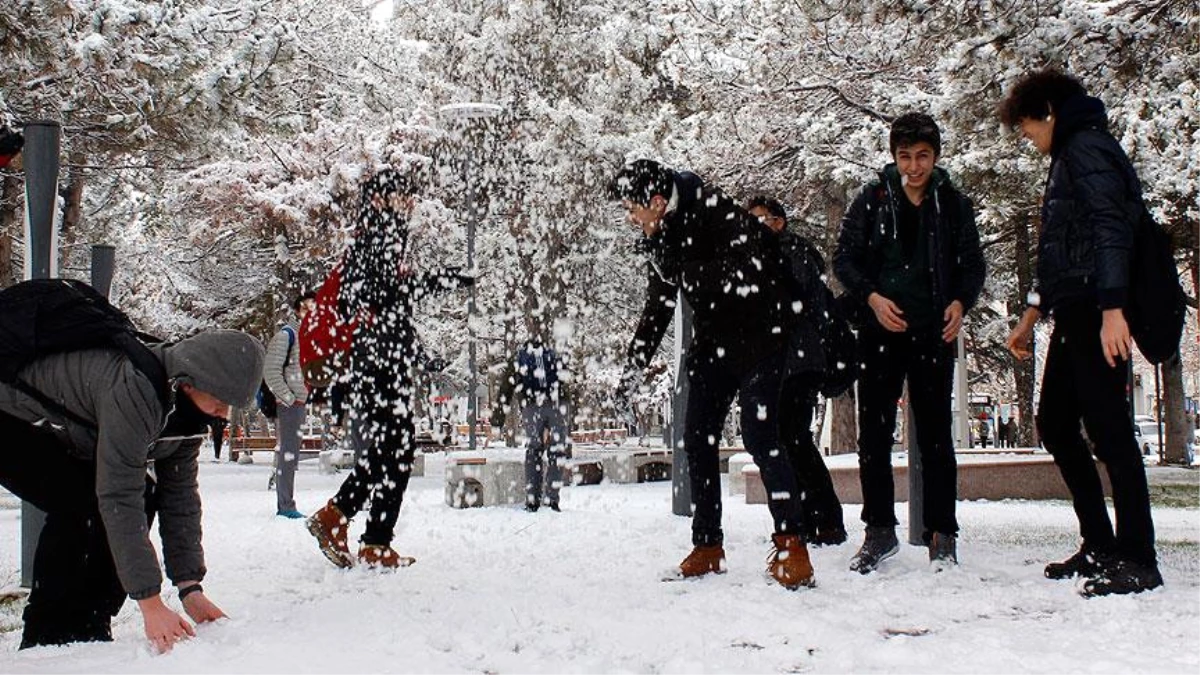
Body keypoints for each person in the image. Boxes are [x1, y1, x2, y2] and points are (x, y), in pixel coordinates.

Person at [608, 159, 814, 589]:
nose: (631, 218)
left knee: (762, 437)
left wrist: (667, 250)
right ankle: (707, 544)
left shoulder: (712, 212)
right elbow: (659, 306)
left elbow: (729, 277)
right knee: (696, 437)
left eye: (633, 209)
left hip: (762, 335)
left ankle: (792, 543)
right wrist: (632, 370)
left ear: (658, 202)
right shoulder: (664, 233)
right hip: (714, 342)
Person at [0, 329, 264, 652]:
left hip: (61, 429)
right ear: (192, 382)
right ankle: (48, 637)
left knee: (140, 495)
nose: (224, 415)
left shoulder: (188, 414)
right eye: (221, 403)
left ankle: (91, 622)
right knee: (84, 500)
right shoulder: (137, 389)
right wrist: (150, 603)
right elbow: (118, 497)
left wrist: (190, 588)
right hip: (11, 416)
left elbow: (179, 498)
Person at [1002, 69, 1162, 596]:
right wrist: (1030, 314)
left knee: (1111, 432)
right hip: (1076, 309)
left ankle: (1138, 557)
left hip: (1097, 308)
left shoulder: (1087, 148)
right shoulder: (1071, 152)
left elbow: (1109, 228)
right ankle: (1099, 542)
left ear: (1048, 111)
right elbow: (1059, 251)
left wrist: (1114, 308)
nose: (1030, 140)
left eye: (1029, 129)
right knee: (1055, 423)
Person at [834, 113, 985, 572]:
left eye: (922, 156)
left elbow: (972, 264)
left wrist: (961, 301)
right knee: (875, 435)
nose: (914, 166)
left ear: (936, 156)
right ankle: (879, 530)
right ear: (894, 156)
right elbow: (845, 260)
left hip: (933, 332)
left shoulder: (954, 203)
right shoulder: (873, 199)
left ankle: (943, 534)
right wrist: (873, 298)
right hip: (881, 332)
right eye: (905, 156)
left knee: (937, 435)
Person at [307, 168, 474, 569]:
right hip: (378, 364)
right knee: (394, 452)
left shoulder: (377, 238)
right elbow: (378, 298)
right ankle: (355, 528)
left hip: (381, 360)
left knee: (390, 451)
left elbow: (389, 309)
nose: (410, 204)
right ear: (382, 200)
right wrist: (439, 280)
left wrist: (419, 354)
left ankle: (359, 531)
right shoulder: (377, 237)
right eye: (403, 197)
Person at [745, 196, 847, 546]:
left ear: (779, 222)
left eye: (762, 220)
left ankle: (821, 519)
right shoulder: (765, 257)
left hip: (798, 363)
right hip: (784, 363)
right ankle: (811, 518)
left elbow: (794, 303)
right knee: (790, 440)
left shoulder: (792, 253)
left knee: (794, 440)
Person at [491, 336, 569, 512]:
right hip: (556, 405)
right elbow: (565, 383)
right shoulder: (554, 355)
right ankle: (552, 499)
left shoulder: (519, 358)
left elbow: (506, 388)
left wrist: (497, 419)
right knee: (556, 451)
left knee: (534, 450)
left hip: (531, 407)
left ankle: (532, 500)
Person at [264, 292, 316, 519]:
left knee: (291, 452)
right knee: (288, 453)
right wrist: (287, 396)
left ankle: (287, 502)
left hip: (298, 401)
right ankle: (285, 505)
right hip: (289, 403)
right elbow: (271, 371)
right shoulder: (287, 335)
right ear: (297, 310)